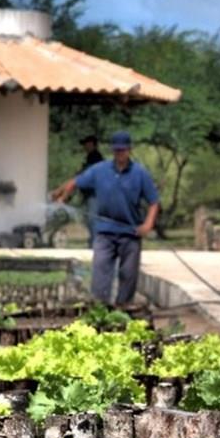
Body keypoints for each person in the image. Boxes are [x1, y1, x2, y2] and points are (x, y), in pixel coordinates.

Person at [51, 131, 160, 307]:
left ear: (129, 150)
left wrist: (148, 224)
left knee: (128, 275)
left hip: (130, 233)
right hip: (104, 232)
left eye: (123, 151)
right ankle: (100, 308)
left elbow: (154, 202)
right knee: (100, 273)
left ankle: (123, 310)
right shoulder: (100, 170)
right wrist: (61, 195)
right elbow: (76, 182)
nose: (120, 154)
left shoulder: (140, 173)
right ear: (112, 151)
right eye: (117, 151)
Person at [77, 135, 104, 246]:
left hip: (95, 194)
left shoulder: (95, 157)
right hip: (90, 194)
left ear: (92, 144)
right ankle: (93, 241)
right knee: (89, 218)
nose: (85, 146)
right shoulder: (90, 157)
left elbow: (90, 174)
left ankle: (96, 242)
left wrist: (80, 174)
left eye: (87, 144)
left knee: (93, 219)